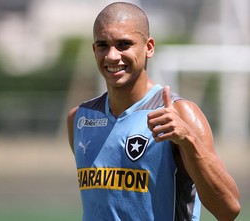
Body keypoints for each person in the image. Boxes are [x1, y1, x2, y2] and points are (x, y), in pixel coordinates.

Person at [66, 2, 240, 221]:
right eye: (103, 45)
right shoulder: (80, 119)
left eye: (124, 44)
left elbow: (229, 210)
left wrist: (188, 140)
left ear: (148, 47)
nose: (112, 56)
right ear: (94, 50)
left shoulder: (180, 114)